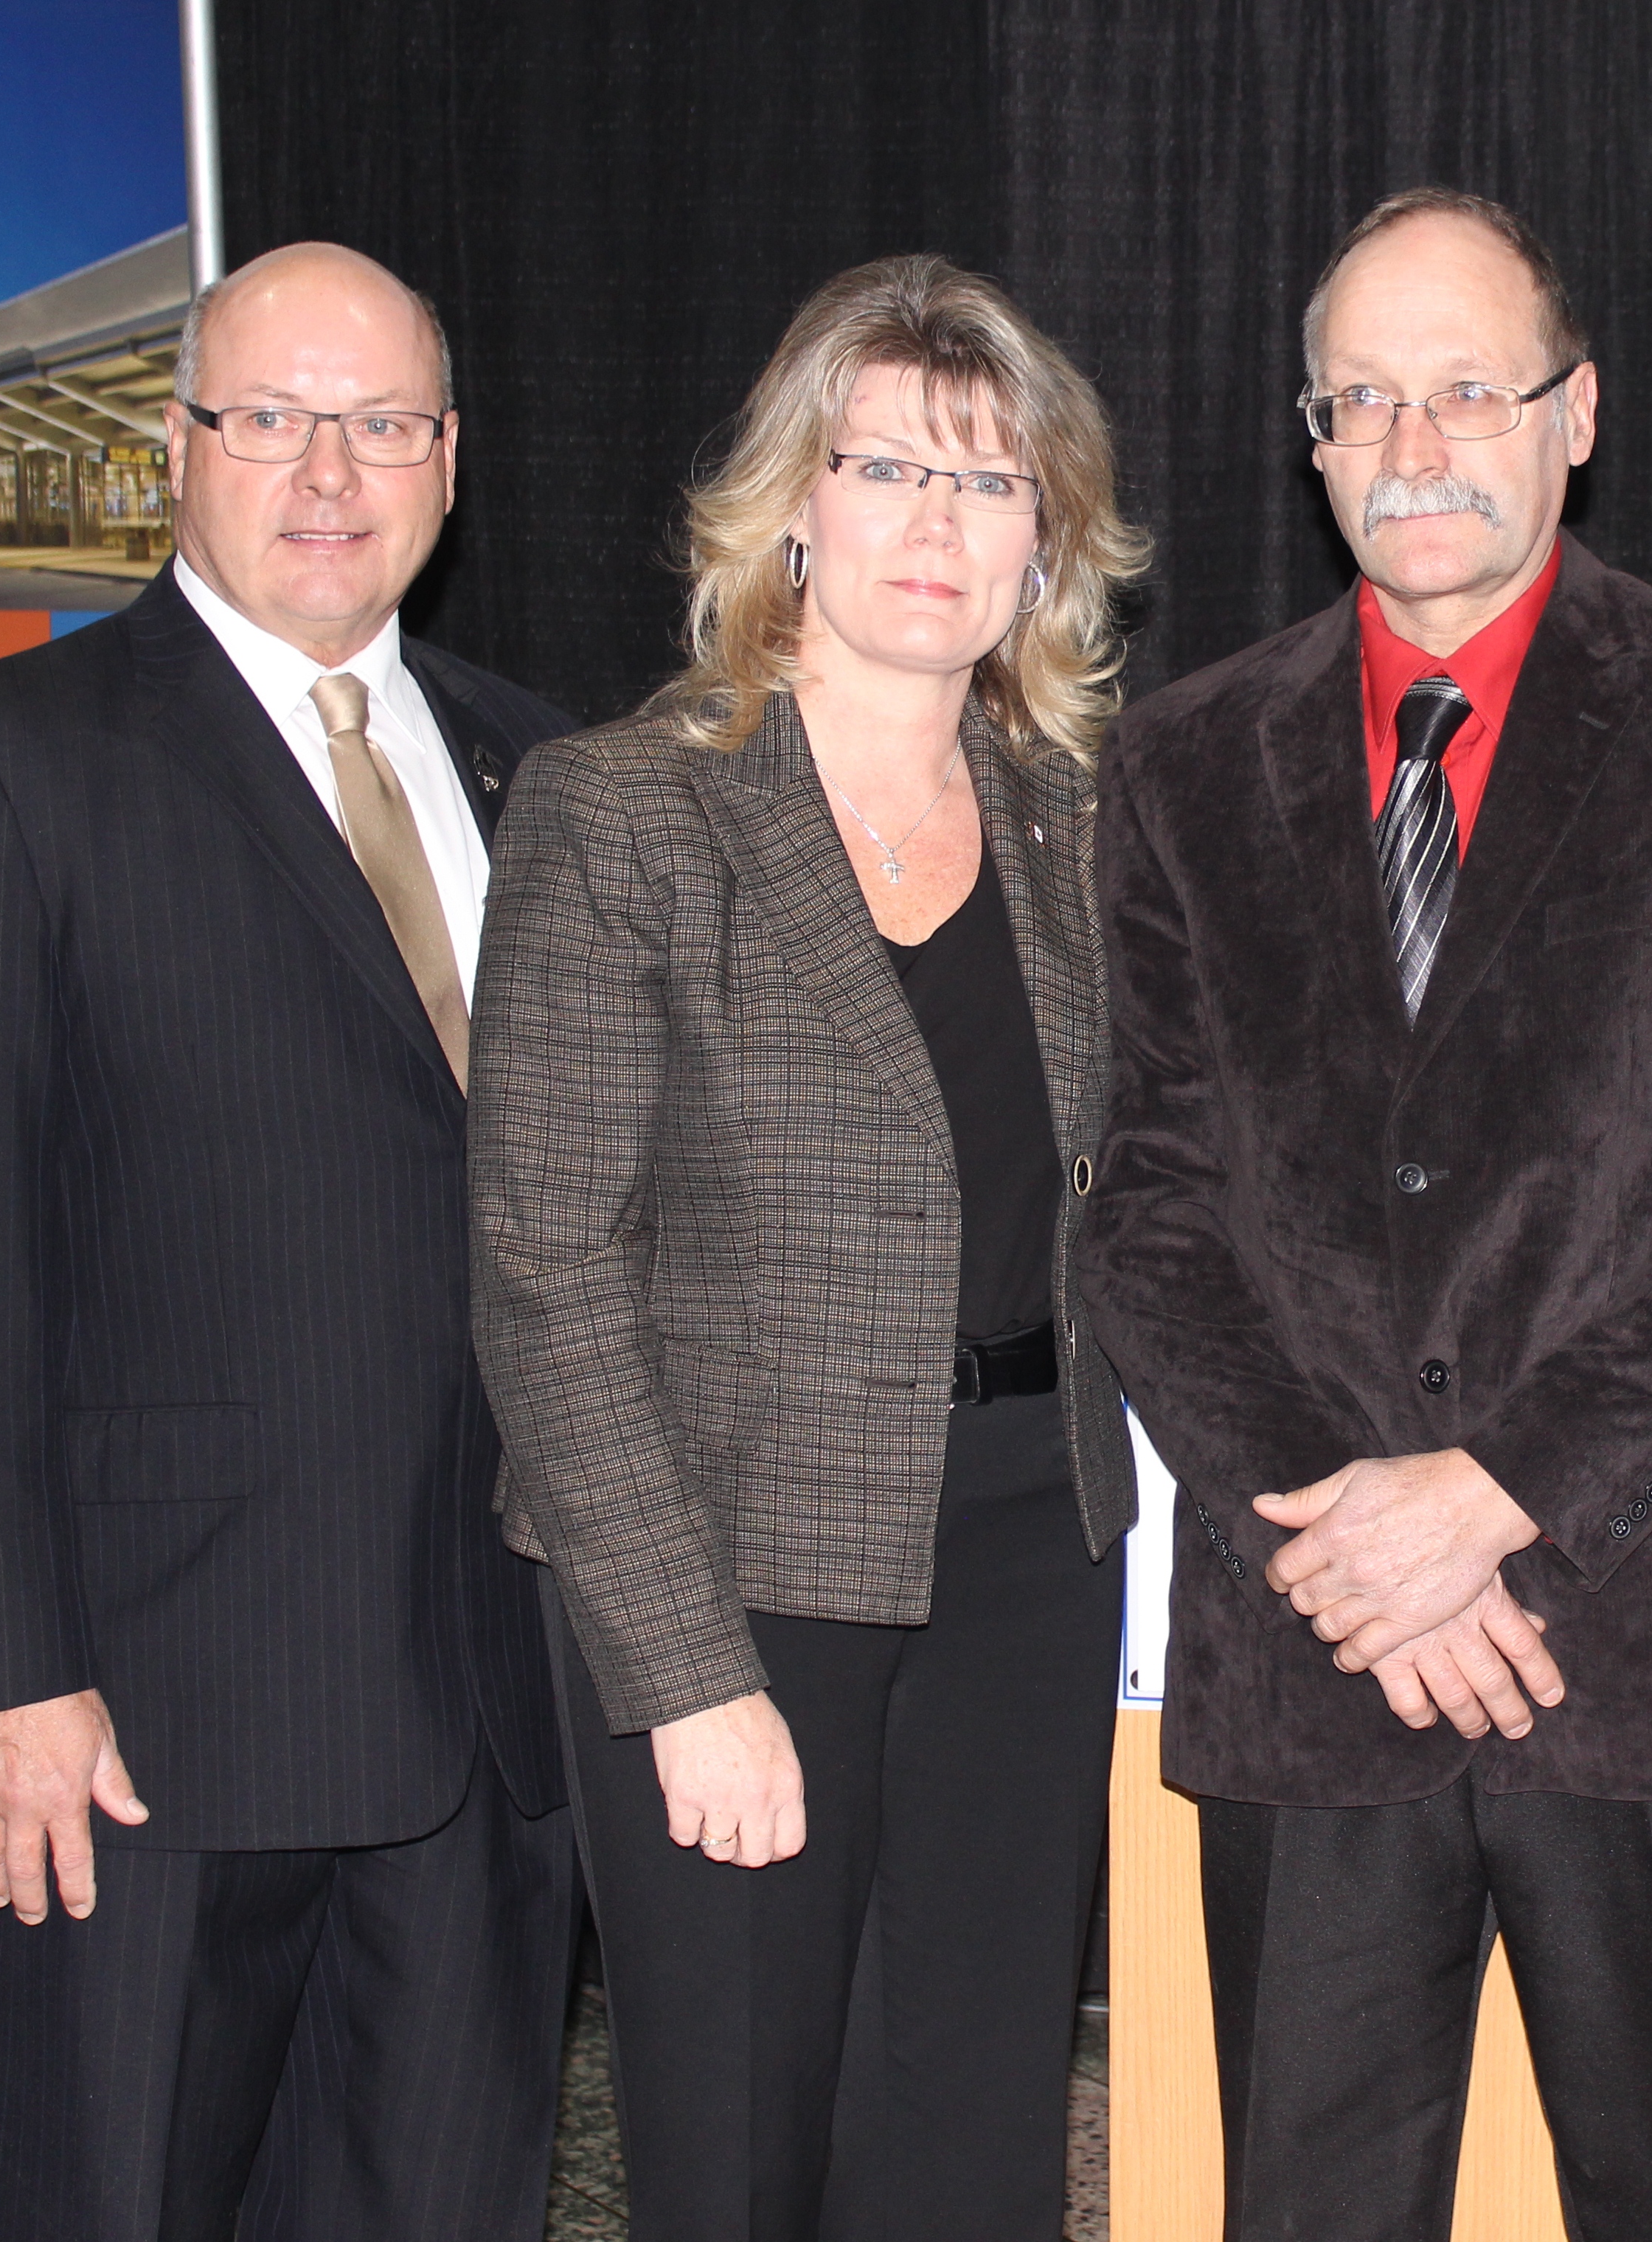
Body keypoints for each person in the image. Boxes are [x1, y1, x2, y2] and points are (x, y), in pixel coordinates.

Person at [1079, 189, 1652, 2241]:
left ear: (1575, 412)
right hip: (1312, 1662)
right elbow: (1150, 1212)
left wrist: (1494, 1493)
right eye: (1364, 400)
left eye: (1467, 390)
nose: (1414, 444)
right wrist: (1363, 1547)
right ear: (1310, 439)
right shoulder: (1175, 767)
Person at [0, 243, 579, 2241]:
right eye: (270, 419)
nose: (329, 472)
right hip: (150, 1731)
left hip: (494, 1712)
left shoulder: (541, 768)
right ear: (177, 450)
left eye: (383, 423)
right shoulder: (2, 764)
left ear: (450, 460)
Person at [467, 253, 1147, 2241]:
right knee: (741, 2143)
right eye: (885, 467)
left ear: (1051, 541)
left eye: (991, 481)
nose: (938, 523)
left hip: (1035, 1551)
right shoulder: (627, 814)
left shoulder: (1080, 820)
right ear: (790, 509)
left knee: (978, 2126)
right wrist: (683, 1676)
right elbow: (546, 1275)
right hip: (732, 1567)